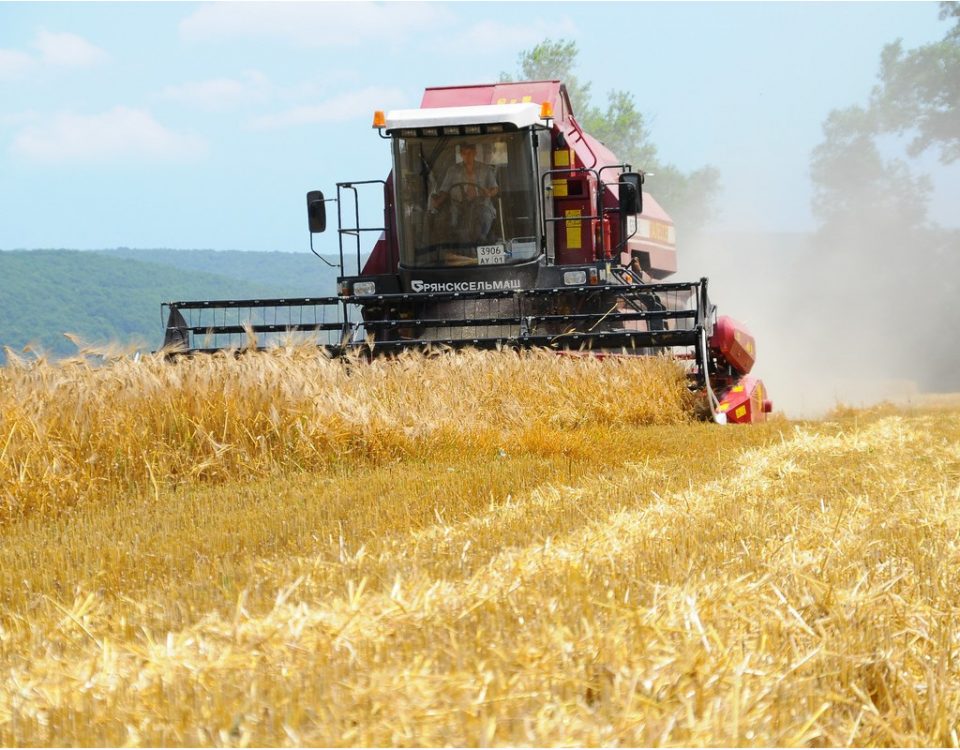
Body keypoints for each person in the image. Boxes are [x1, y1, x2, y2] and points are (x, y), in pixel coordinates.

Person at [430, 142, 499, 241]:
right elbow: (444, 190)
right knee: (449, 222)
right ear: (461, 154)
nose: (467, 156)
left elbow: (495, 188)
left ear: (475, 153)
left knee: (485, 217)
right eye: (464, 153)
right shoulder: (453, 170)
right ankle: (454, 247)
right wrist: (438, 201)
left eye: (470, 153)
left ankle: (481, 243)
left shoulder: (486, 169)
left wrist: (489, 193)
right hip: (458, 206)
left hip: (481, 205)